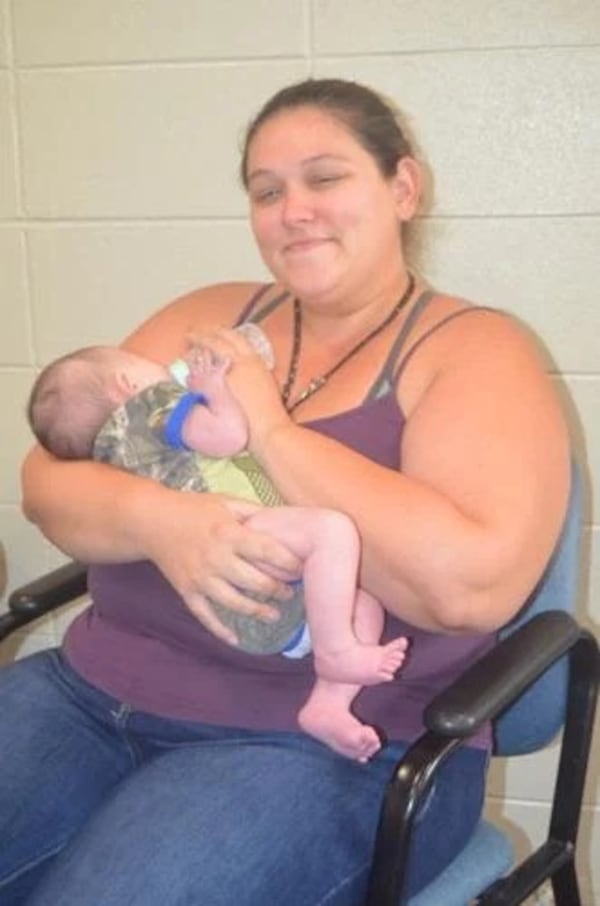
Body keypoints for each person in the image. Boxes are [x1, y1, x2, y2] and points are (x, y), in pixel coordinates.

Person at [0, 77, 570, 906]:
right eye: (267, 191)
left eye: (325, 178)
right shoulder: (206, 314)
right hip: (84, 692)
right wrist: (165, 524)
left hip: (324, 743)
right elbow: (46, 482)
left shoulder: (477, 350)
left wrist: (271, 429)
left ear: (402, 187)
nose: (292, 209)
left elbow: (468, 588)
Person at [26, 340, 408, 761]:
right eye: (149, 364)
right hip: (238, 532)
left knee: (358, 602)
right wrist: (215, 388)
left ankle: (327, 705)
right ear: (124, 384)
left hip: (239, 605)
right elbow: (228, 436)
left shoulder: (109, 455)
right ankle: (336, 660)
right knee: (331, 530)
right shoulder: (150, 410)